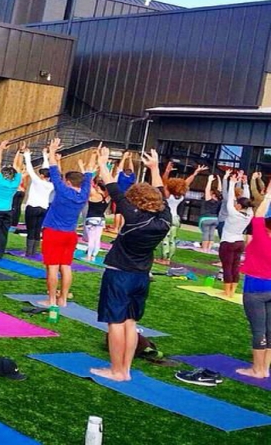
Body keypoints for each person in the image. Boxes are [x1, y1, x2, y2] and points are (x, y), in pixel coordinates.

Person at [90, 146, 170, 382]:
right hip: (141, 277)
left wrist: (104, 163)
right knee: (130, 323)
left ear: (135, 202)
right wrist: (154, 168)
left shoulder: (134, 217)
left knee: (115, 323)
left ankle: (117, 371)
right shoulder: (165, 219)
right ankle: (124, 370)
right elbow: (161, 193)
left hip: (120, 276)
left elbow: (114, 190)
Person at [41, 139, 93, 307]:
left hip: (54, 233)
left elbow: (53, 170)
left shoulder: (63, 191)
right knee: (66, 266)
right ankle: (62, 299)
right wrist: (94, 158)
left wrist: (52, 150)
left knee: (53, 267)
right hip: (70, 235)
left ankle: (51, 300)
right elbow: (89, 175)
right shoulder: (84, 194)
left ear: (68, 182)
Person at [237, 185, 271, 379]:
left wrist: (268, 196)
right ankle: (264, 369)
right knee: (269, 330)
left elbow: (258, 215)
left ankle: (257, 370)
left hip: (255, 289)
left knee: (259, 330)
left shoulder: (260, 237)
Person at [158, 163, 206, 265]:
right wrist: (195, 173)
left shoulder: (168, 195)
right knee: (173, 239)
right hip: (176, 218)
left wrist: (167, 171)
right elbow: (187, 183)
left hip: (168, 217)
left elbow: (164, 182)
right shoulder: (181, 195)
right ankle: (169, 259)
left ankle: (164, 259)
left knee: (165, 239)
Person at [219, 172, 253, 298]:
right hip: (239, 242)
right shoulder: (249, 215)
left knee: (227, 267)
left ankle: (227, 292)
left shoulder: (234, 213)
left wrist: (232, 182)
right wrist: (245, 184)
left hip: (228, 243)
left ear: (238, 205)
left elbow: (230, 198)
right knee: (235, 266)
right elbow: (247, 200)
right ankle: (232, 291)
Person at [22, 149, 53, 257]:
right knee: (37, 229)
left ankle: (28, 252)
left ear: (42, 176)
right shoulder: (51, 185)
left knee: (30, 229)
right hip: (43, 208)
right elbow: (47, 170)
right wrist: (45, 157)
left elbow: (30, 169)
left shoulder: (37, 181)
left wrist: (26, 156)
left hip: (32, 207)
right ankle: (34, 252)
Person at [84, 179, 109, 263]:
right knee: (97, 239)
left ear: (98, 187)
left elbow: (88, 185)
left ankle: (88, 256)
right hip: (101, 220)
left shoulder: (95, 195)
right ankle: (94, 256)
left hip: (91, 219)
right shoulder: (107, 196)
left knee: (91, 239)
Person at [112, 152, 136, 232]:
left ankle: (115, 228)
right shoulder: (131, 178)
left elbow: (120, 168)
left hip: (120, 194)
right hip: (128, 196)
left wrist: (124, 158)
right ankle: (121, 228)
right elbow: (132, 169)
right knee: (123, 213)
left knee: (118, 212)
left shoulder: (121, 176)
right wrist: (130, 159)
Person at [199, 175, 222, 252]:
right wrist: (219, 180)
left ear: (213, 195)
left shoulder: (209, 199)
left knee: (206, 233)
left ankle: (204, 248)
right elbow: (220, 190)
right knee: (211, 234)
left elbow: (207, 189)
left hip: (206, 218)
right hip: (215, 219)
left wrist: (209, 181)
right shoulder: (219, 201)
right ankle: (209, 248)